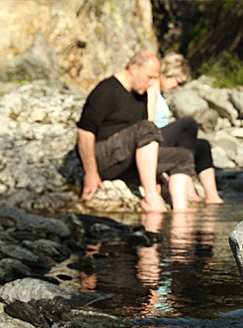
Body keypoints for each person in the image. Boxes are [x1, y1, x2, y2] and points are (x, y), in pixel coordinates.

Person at [76, 50, 196, 212]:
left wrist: (152, 97)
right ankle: (151, 198)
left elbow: (150, 137)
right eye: (150, 77)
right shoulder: (106, 90)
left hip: (127, 158)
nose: (153, 83)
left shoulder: (141, 94)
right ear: (133, 69)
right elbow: (85, 132)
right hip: (103, 157)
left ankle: (181, 215)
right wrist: (91, 172)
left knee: (183, 157)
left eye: (156, 78)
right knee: (146, 128)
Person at [147, 53, 224, 205]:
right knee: (188, 124)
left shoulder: (161, 92)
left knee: (202, 146)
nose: (178, 87)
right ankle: (187, 183)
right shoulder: (153, 87)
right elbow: (149, 120)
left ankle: (212, 196)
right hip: (152, 138)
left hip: (163, 137)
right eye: (178, 81)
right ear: (168, 74)